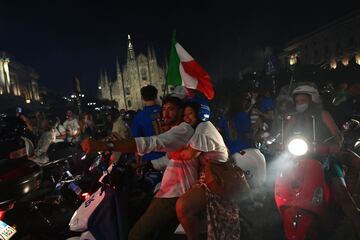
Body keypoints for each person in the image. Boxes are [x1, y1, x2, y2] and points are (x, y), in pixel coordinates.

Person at [81, 95, 200, 240]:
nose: (166, 113)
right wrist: (146, 165)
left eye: (171, 109)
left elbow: (152, 142)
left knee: (135, 236)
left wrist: (105, 145)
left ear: (181, 111)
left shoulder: (183, 130)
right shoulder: (176, 130)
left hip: (175, 194)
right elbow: (169, 158)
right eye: (164, 109)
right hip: (166, 188)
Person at [285, 83, 360, 238]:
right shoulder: (293, 118)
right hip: (301, 159)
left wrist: (334, 145)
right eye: (297, 101)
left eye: (303, 100)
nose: (300, 104)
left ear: (312, 100)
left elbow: (338, 136)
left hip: (325, 157)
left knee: (342, 194)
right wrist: (278, 144)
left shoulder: (323, 114)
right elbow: (284, 137)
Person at [174, 101, 251, 240]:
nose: (186, 118)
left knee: (183, 206)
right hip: (211, 173)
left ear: (200, 113)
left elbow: (188, 154)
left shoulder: (203, 127)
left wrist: (170, 152)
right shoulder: (200, 128)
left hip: (215, 177)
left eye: (190, 113)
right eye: (184, 115)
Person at [131, 85, 166, 167]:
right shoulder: (165, 112)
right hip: (170, 156)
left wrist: (138, 162)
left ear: (142, 98)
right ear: (156, 96)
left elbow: (136, 142)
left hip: (151, 160)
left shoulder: (139, 117)